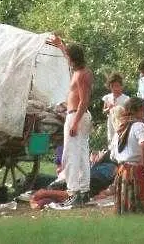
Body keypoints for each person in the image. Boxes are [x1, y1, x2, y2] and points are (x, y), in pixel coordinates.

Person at [48, 35, 93, 207]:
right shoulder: (79, 71)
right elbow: (68, 56)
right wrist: (61, 46)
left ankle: (74, 190)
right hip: (77, 115)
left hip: (77, 116)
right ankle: (83, 190)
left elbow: (84, 100)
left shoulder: (82, 75)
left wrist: (75, 122)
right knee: (80, 153)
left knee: (72, 155)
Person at [112, 97, 144, 214]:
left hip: (122, 171)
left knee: (126, 206)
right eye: (143, 109)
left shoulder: (121, 128)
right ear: (136, 110)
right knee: (141, 205)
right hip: (134, 170)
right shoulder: (139, 126)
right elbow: (143, 144)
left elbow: (114, 153)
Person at [101, 72, 130, 146]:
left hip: (121, 124)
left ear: (121, 86)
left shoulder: (126, 99)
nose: (115, 89)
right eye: (112, 86)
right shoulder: (107, 97)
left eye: (117, 86)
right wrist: (108, 109)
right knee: (111, 142)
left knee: (121, 141)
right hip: (111, 123)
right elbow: (104, 111)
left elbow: (129, 114)